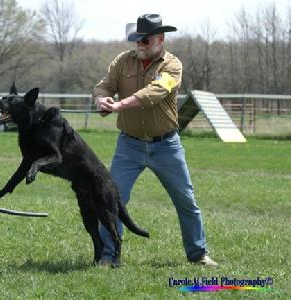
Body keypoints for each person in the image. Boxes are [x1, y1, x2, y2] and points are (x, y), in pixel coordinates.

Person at [93, 14, 218, 267]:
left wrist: (121, 104)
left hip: (166, 146)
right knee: (112, 199)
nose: (140, 45)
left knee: (185, 200)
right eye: (137, 40)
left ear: (160, 39)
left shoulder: (172, 65)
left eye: (145, 41)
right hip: (129, 145)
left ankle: (198, 254)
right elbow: (104, 86)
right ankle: (108, 255)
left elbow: (156, 91)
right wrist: (102, 100)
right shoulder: (121, 61)